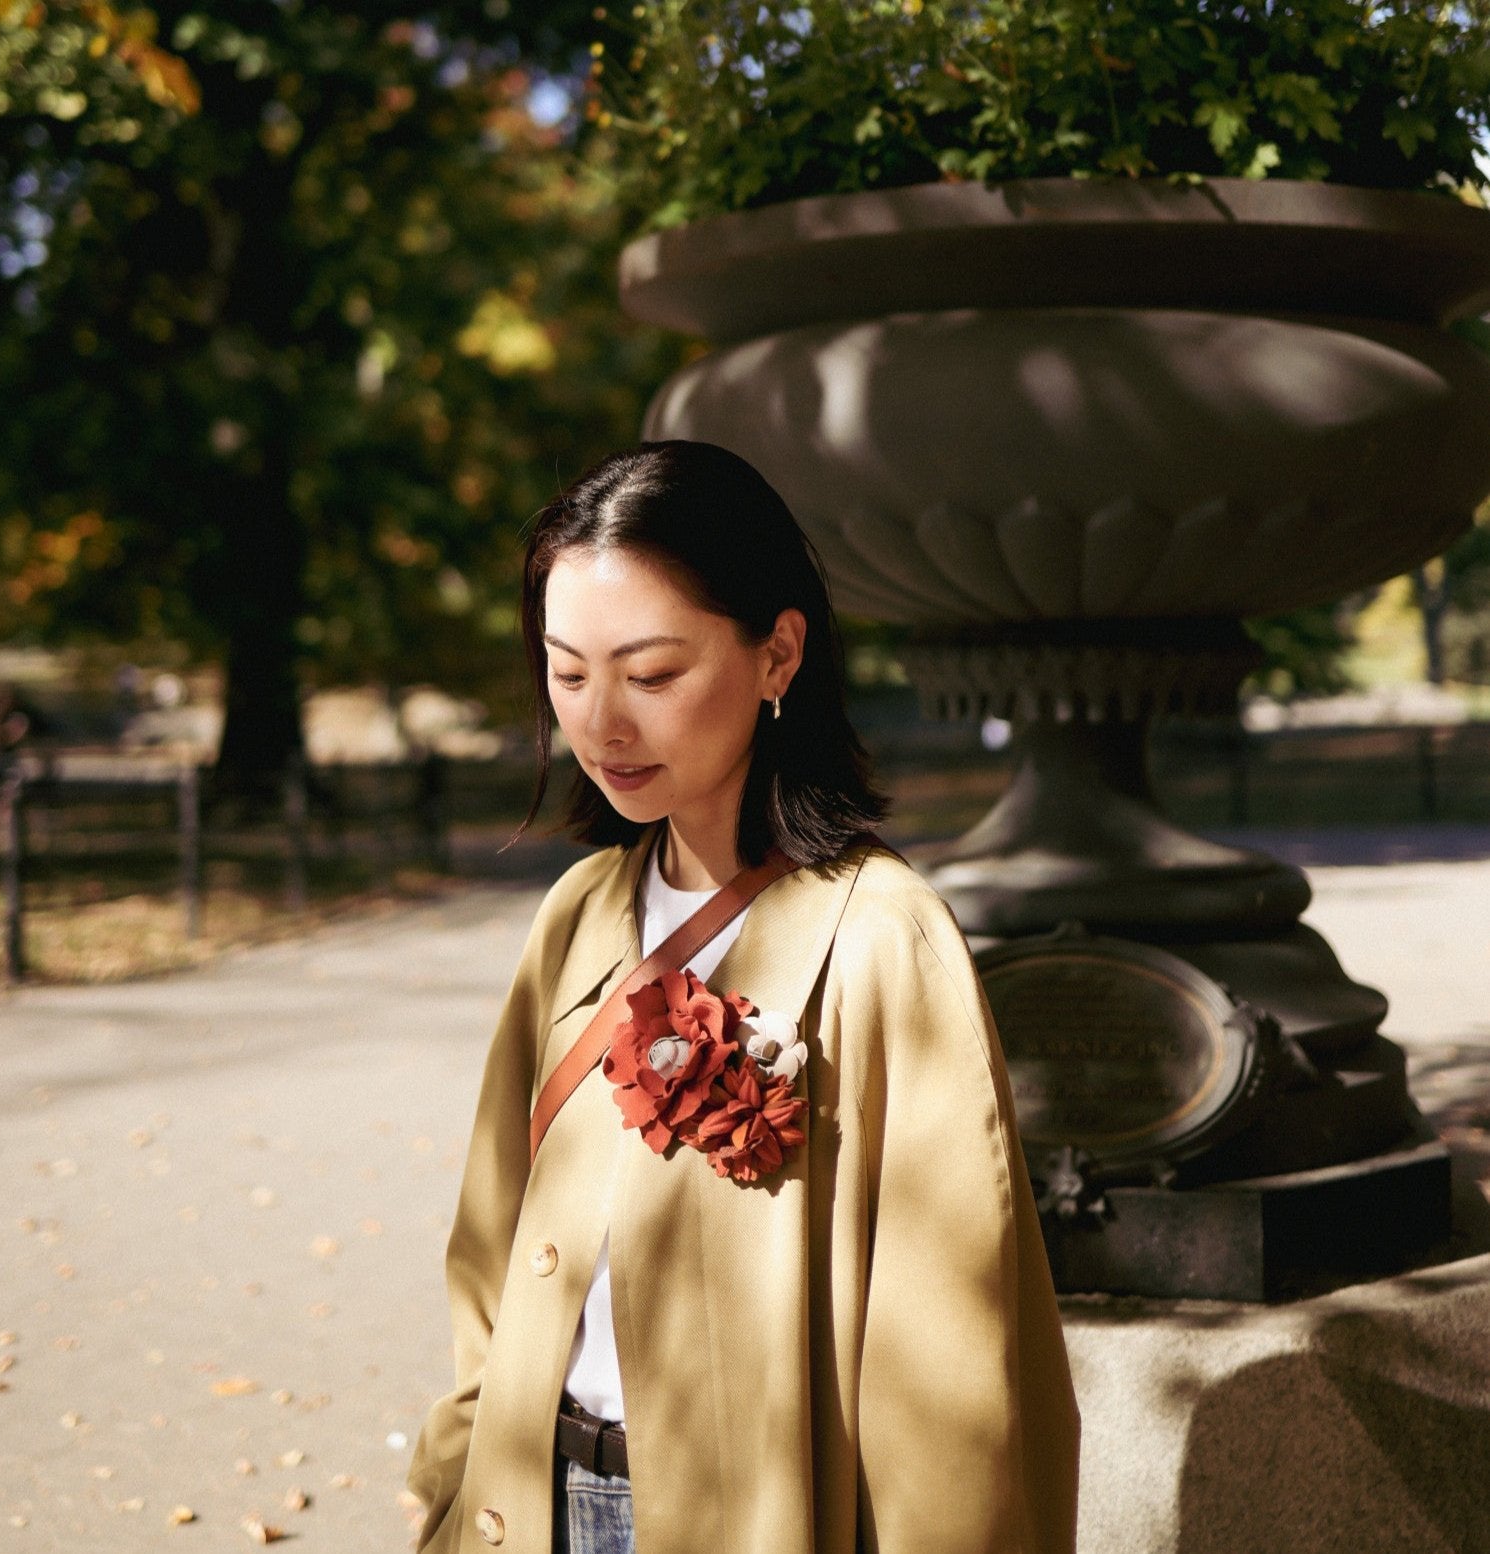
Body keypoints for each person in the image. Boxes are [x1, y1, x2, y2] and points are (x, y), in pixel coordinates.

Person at [408, 441, 1080, 1554]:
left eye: (653, 674)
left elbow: (950, 1366)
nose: (602, 724)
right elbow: (495, 1231)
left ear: (778, 655)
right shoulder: (579, 913)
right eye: (568, 673)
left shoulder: (878, 940)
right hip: (532, 1504)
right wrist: (454, 1465)